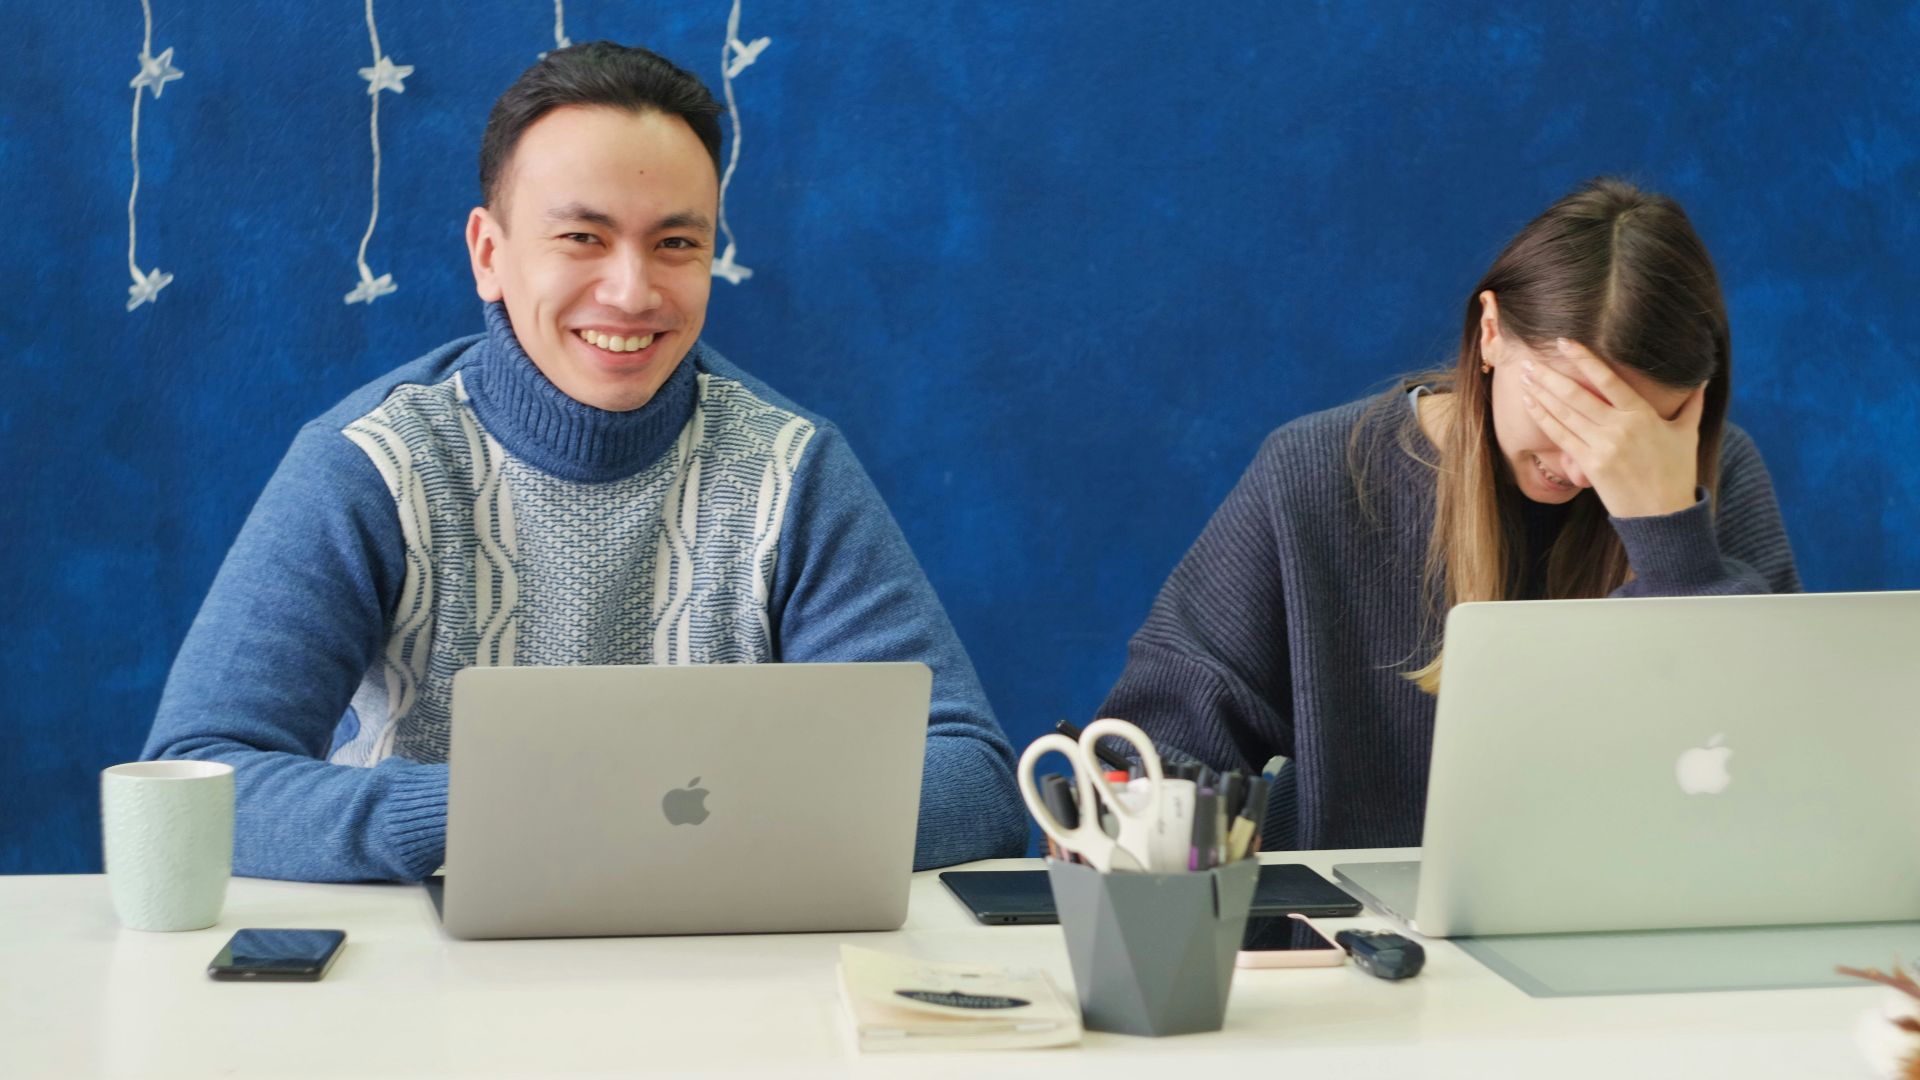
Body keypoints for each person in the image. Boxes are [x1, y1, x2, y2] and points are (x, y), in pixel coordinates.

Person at [143, 42, 1027, 881]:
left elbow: (971, 777)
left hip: (723, 969)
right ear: (491, 254)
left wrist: (652, 817)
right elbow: (199, 779)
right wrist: (497, 814)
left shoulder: (791, 469)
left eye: (676, 244)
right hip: (431, 976)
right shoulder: (373, 463)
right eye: (583, 238)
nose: (632, 292)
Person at [1099, 178, 1800, 852]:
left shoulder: (1714, 476)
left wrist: (1669, 533)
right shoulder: (1316, 474)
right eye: (1568, 412)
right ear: (1491, 333)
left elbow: (1785, 787)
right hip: (1362, 955)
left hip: (1649, 946)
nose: (1588, 469)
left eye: (1644, 429)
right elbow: (1149, 758)